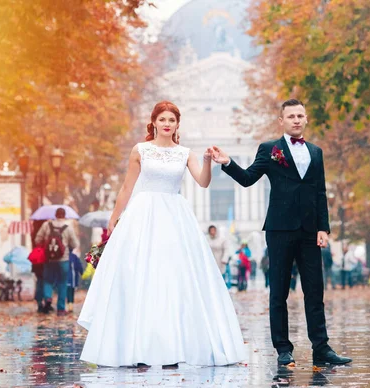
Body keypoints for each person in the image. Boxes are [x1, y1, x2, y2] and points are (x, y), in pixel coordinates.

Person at [77, 101, 246, 368]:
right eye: (163, 119)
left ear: (178, 125)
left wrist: (205, 161)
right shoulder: (140, 150)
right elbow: (126, 188)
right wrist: (114, 218)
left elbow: (202, 182)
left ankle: (172, 347)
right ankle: (137, 347)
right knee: (140, 276)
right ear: (154, 122)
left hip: (174, 216)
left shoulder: (184, 153)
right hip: (143, 215)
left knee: (173, 278)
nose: (167, 124)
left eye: (172, 120)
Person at [212, 99, 352, 366]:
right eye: (291, 116)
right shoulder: (269, 149)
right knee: (278, 291)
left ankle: (321, 348)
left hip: (310, 231)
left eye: (300, 115)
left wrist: (324, 227)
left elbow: (320, 191)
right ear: (282, 121)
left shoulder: (316, 151)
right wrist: (227, 162)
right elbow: (248, 178)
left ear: (306, 119)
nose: (296, 120)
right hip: (279, 229)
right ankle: (283, 349)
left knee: (314, 291)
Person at [35, 208, 79, 316]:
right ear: (64, 215)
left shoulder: (46, 225)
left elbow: (37, 240)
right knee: (62, 283)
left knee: (47, 280)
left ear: (55, 215)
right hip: (63, 259)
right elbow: (74, 244)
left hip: (49, 259)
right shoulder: (68, 227)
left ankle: (48, 297)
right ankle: (60, 309)